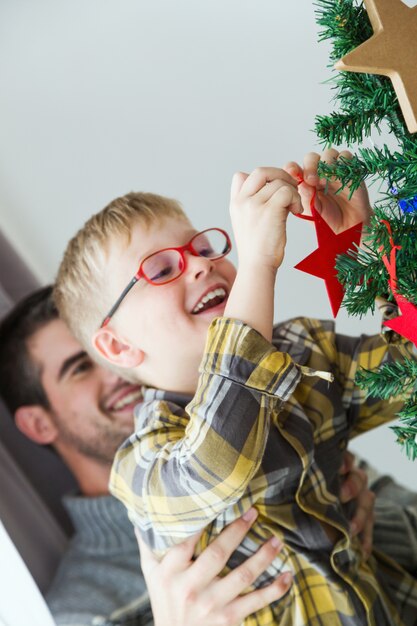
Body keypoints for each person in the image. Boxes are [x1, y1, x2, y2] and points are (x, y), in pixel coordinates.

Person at [54, 148, 417, 625]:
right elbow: (219, 463)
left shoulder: (304, 349)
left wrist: (368, 240)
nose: (202, 266)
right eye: (162, 270)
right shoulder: (142, 465)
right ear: (118, 347)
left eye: (203, 248)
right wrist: (258, 266)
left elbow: (407, 369)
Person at [0, 286, 294, 626]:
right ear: (38, 424)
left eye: (115, 346)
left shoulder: (254, 431)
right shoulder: (78, 613)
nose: (116, 371)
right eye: (81, 367)